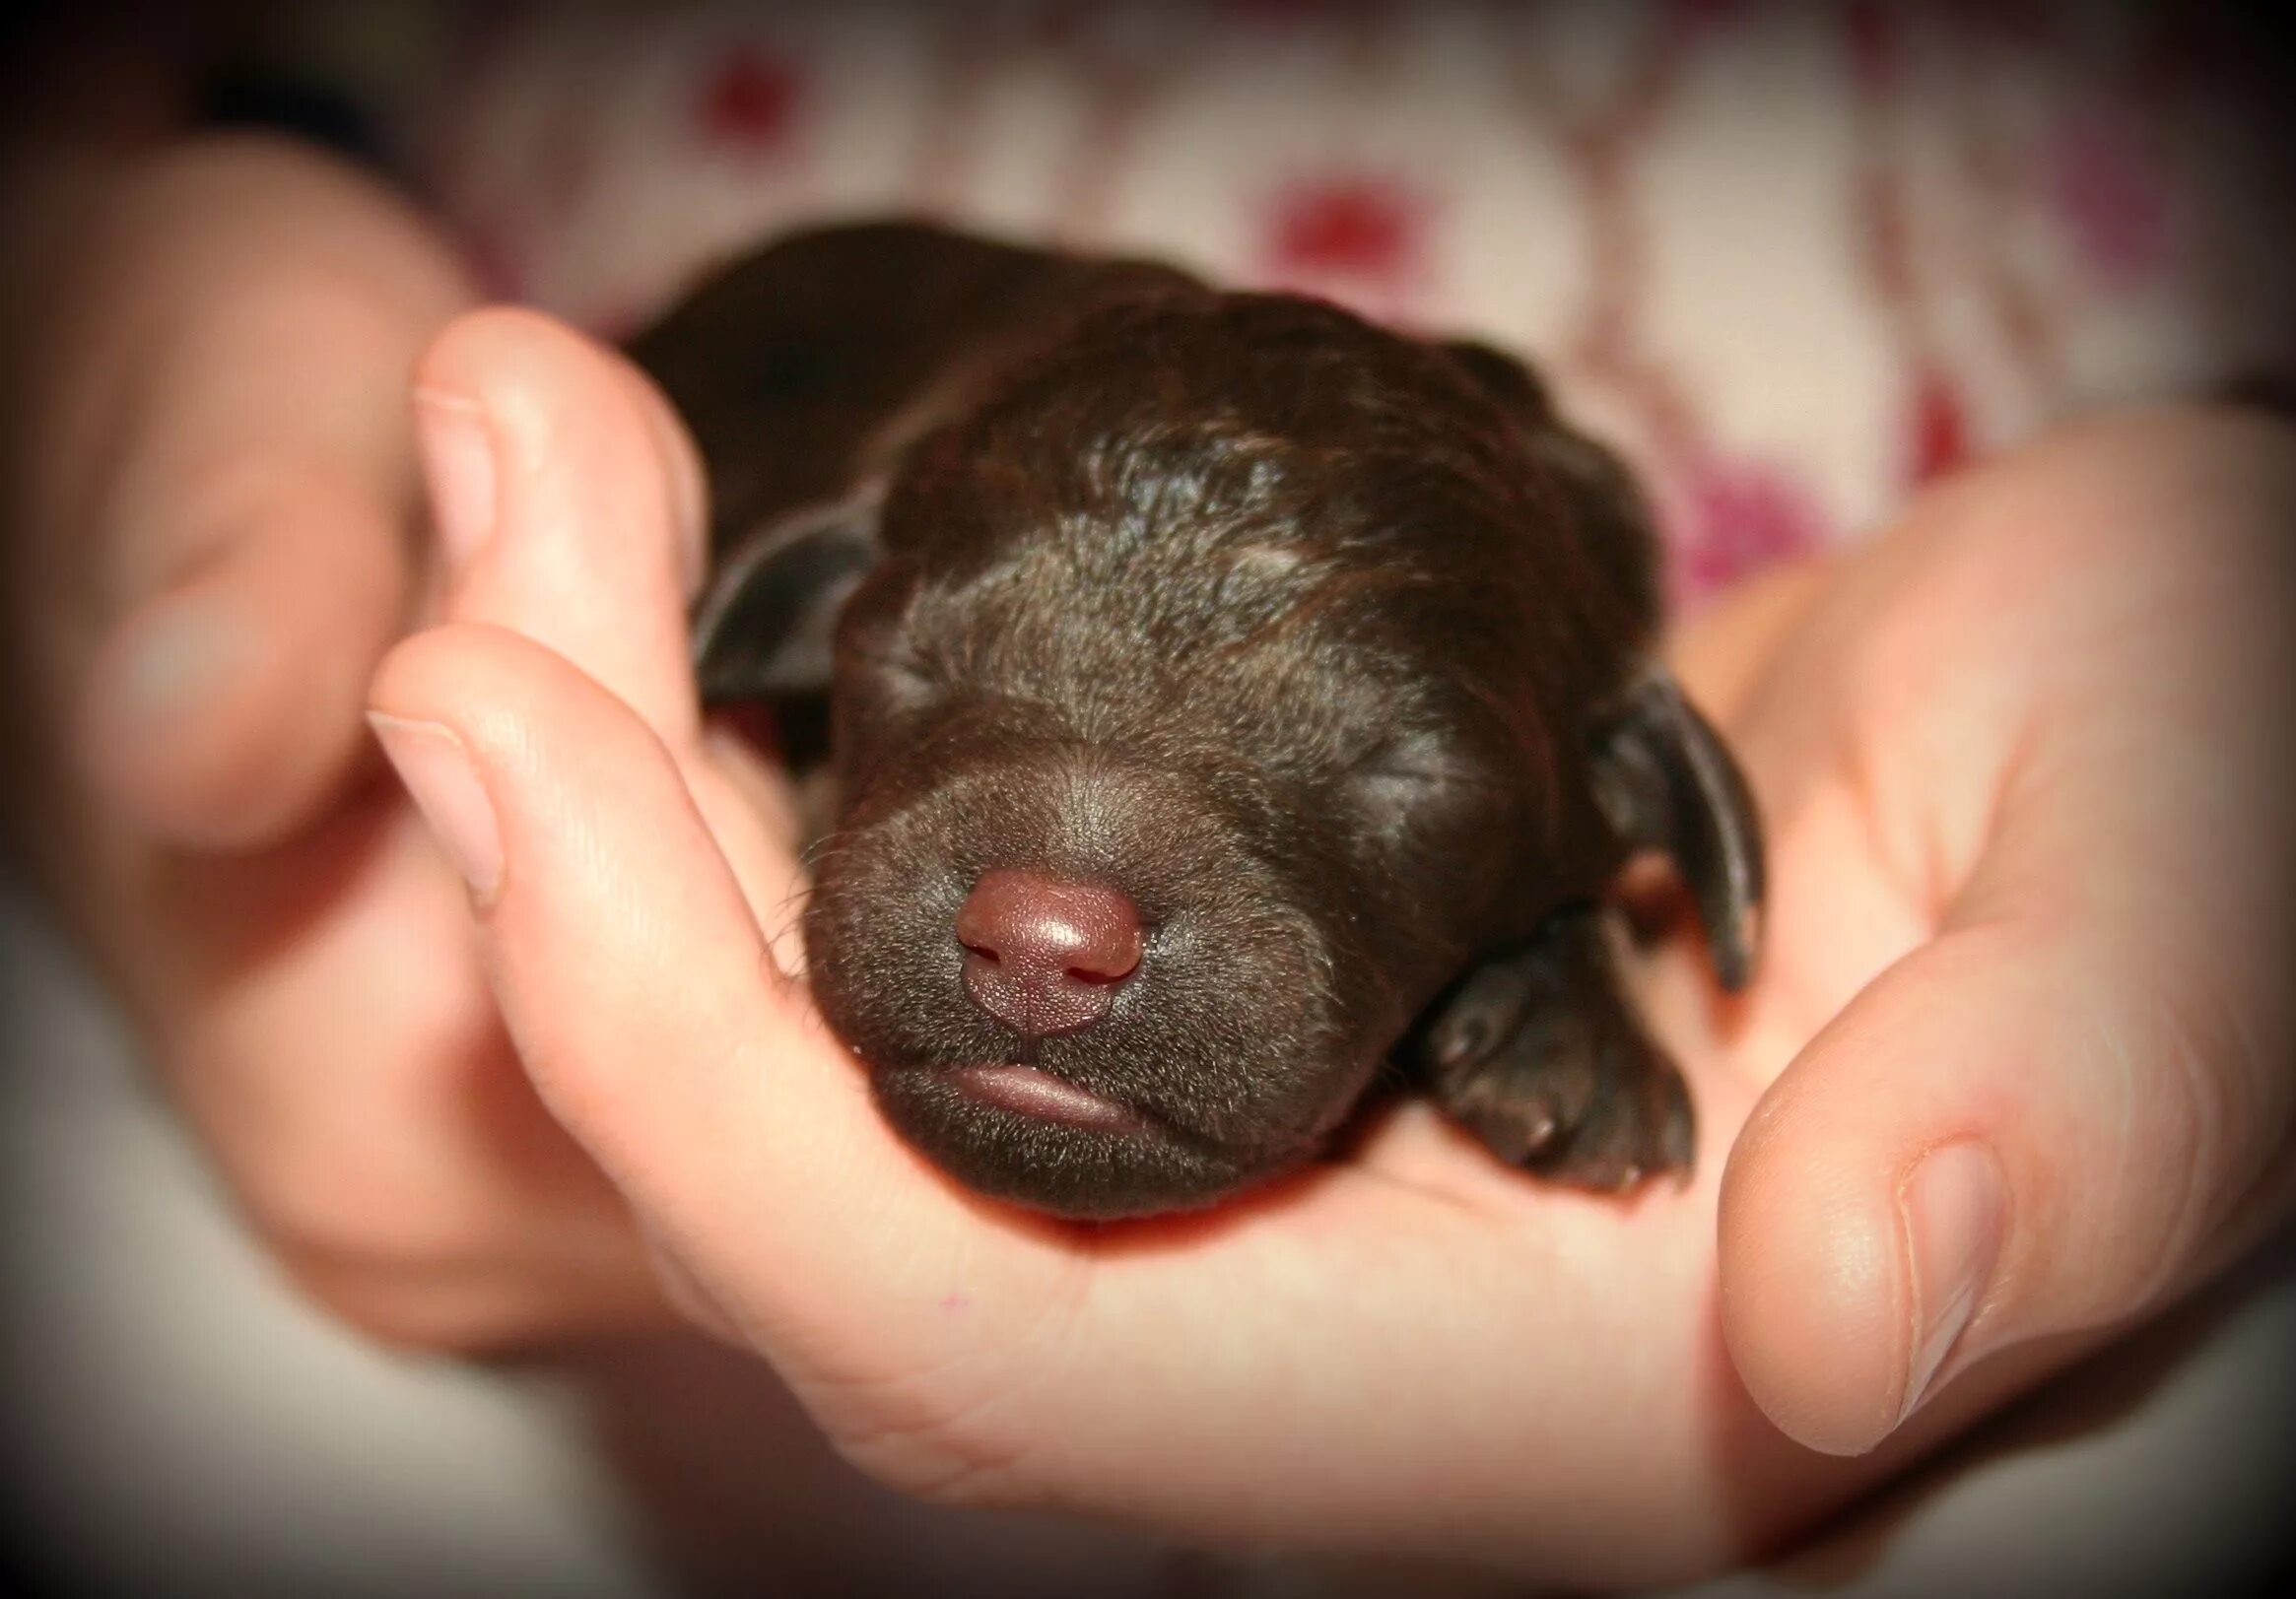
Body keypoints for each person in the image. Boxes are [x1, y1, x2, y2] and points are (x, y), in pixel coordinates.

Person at [4, 13, 2291, 1591]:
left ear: (1648, 818)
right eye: (933, 669)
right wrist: (163, 231)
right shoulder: (821, 461)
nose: (1051, 920)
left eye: (1391, 765)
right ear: (791, 629)